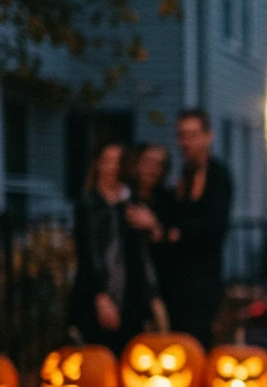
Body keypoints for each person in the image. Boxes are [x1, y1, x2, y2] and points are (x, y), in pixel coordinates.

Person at [68, 142, 163, 353]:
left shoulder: (133, 203)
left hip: (131, 297)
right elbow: (88, 254)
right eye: (107, 161)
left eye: (118, 162)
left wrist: (153, 228)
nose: (113, 167)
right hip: (98, 294)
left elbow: (144, 254)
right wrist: (100, 295)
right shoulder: (88, 204)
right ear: (98, 165)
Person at [163, 109, 233, 347]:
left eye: (192, 135)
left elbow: (214, 225)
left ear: (207, 136)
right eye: (182, 135)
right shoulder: (181, 176)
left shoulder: (218, 176)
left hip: (203, 282)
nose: (186, 142)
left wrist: (177, 234)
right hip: (175, 282)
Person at [126, 143, 174, 294]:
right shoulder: (124, 197)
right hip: (126, 283)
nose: (152, 168)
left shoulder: (169, 202)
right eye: (147, 161)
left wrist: (153, 226)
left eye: (159, 164)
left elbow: (173, 244)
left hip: (159, 284)